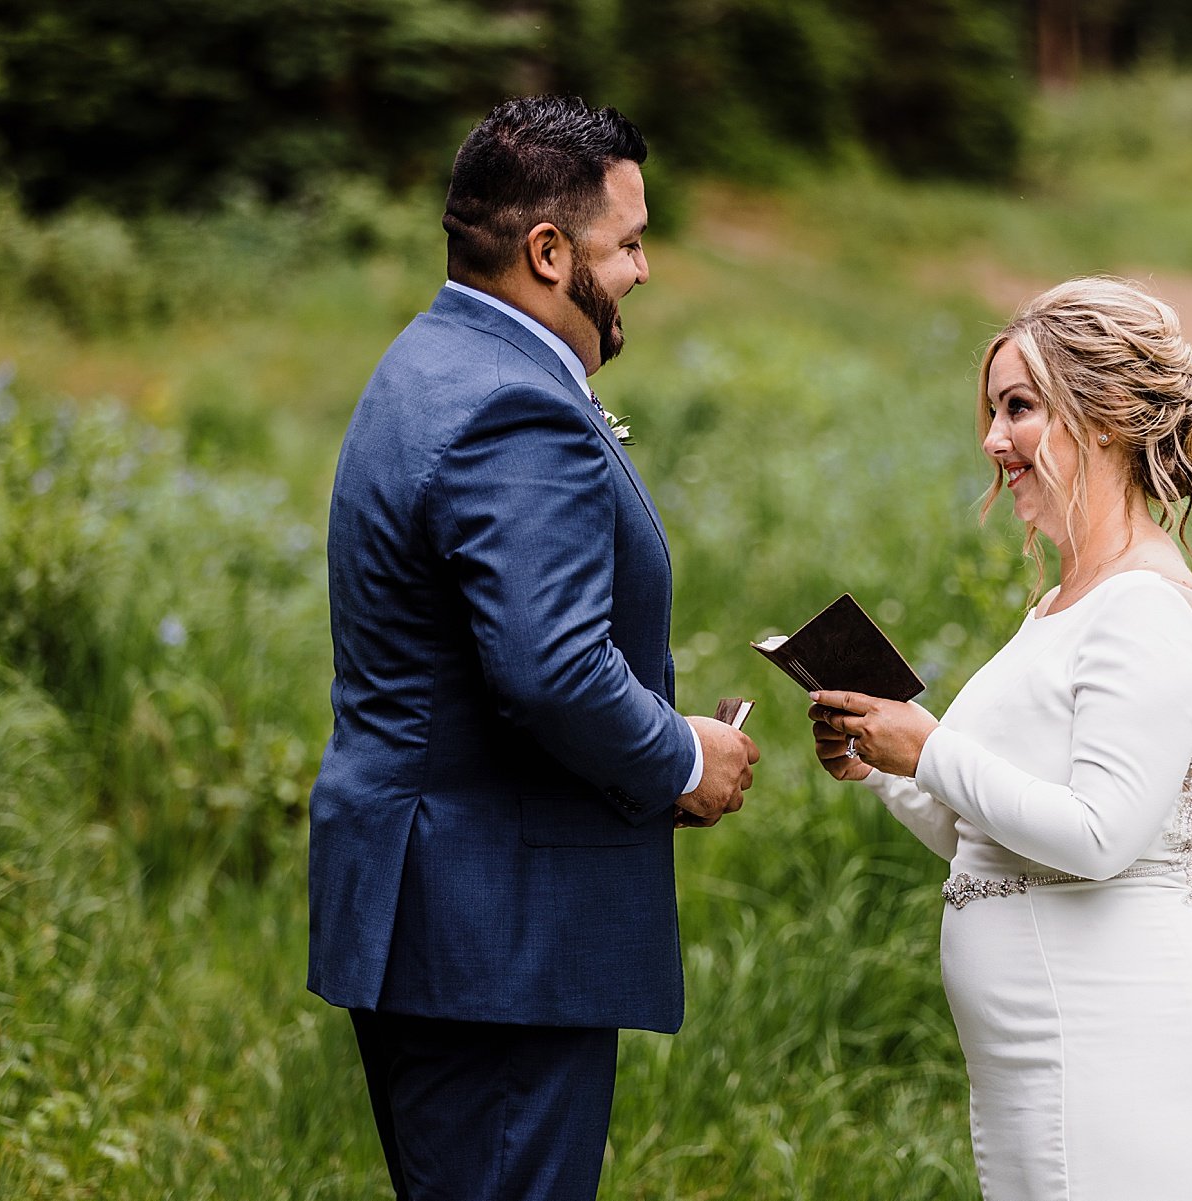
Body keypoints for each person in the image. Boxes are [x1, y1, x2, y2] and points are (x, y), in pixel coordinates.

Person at [307, 95, 760, 1201]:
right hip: (493, 938)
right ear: (549, 253)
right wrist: (682, 758)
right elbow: (550, 668)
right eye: (632, 242)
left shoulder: (429, 358)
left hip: (439, 912)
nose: (646, 270)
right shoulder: (515, 406)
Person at [806, 277, 1192, 1199]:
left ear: (1102, 418)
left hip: (1117, 1032)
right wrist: (882, 762)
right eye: (993, 410)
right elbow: (988, 832)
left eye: (1019, 408)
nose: (993, 439)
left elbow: (1100, 835)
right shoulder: (1060, 605)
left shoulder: (1146, 608)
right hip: (1043, 1048)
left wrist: (929, 748)